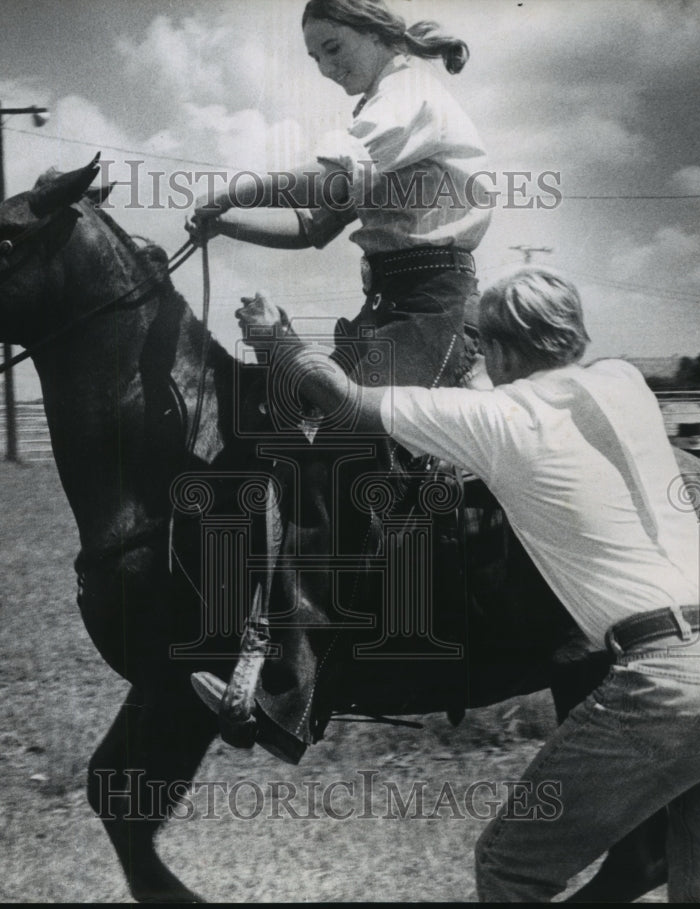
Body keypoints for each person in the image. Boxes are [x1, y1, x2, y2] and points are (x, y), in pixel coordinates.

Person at [228, 268, 700, 902]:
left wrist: (273, 340)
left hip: (674, 684)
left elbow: (344, 402)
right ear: (573, 333)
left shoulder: (498, 419)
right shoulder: (625, 381)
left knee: (510, 867)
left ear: (492, 350)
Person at [188, 0, 493, 761]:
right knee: (293, 438)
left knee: (331, 447)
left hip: (432, 308)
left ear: (376, 32)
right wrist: (226, 223)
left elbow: (325, 188)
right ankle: (309, 645)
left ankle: (288, 691)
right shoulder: (386, 106)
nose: (326, 67)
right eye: (316, 58)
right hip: (393, 306)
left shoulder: (406, 94)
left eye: (333, 47)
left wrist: (237, 191)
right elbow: (317, 227)